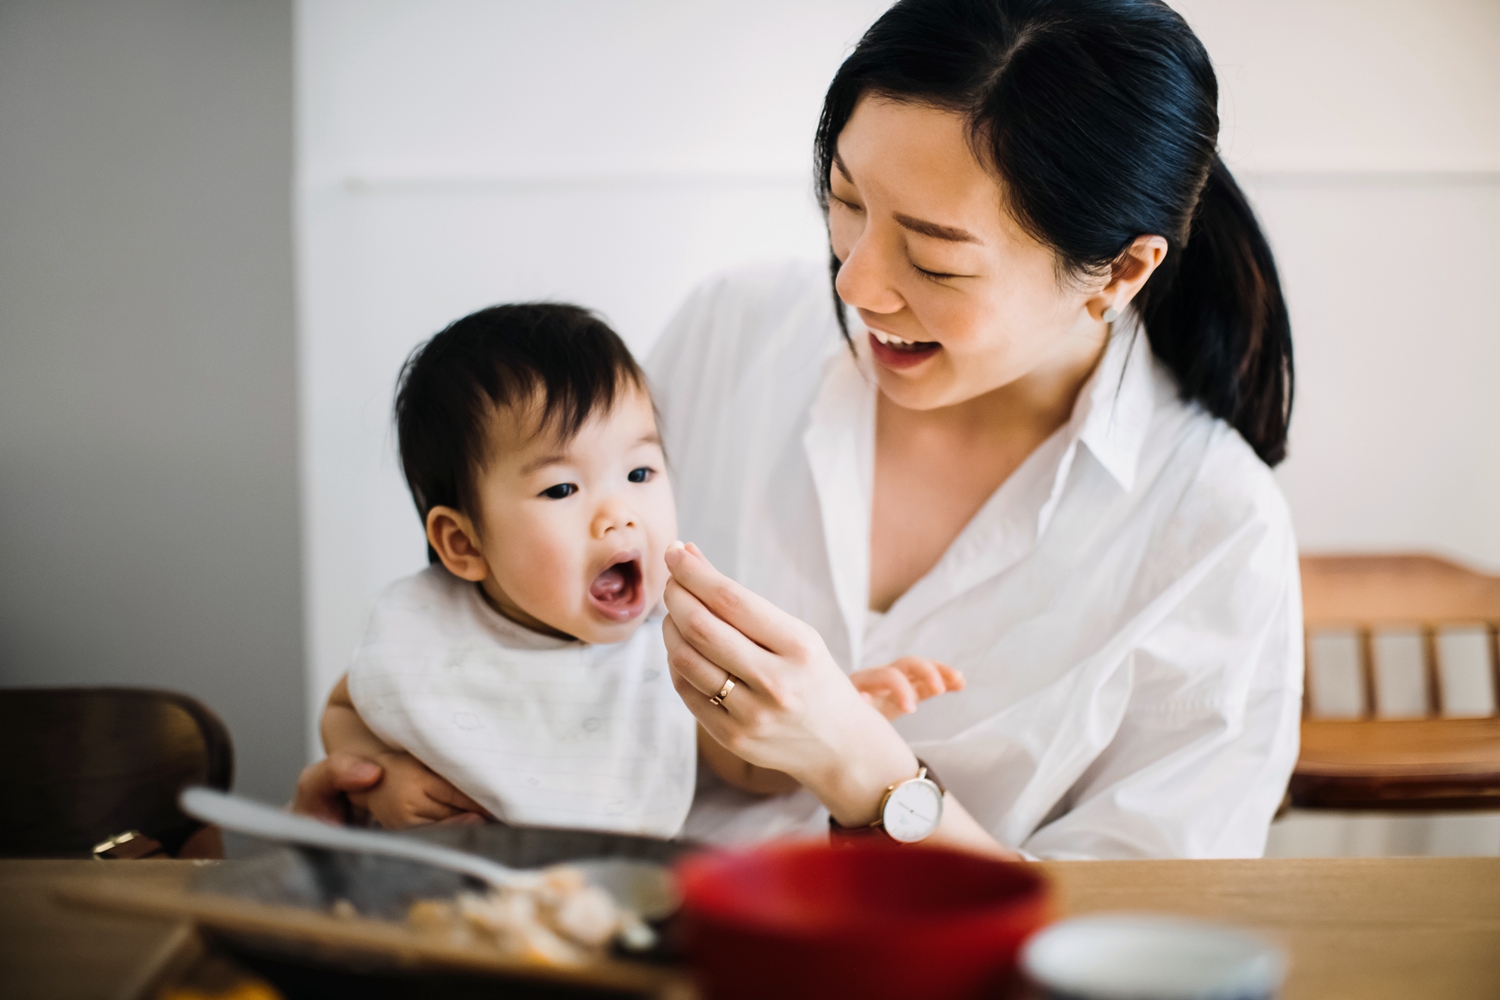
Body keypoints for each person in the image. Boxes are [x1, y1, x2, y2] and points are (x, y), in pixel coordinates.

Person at [299, 0, 1302, 859]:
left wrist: (864, 770)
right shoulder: (734, 331)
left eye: (935, 257)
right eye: (846, 201)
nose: (857, 284)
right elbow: (502, 633)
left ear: (1123, 271)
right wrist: (386, 771)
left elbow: (1135, 937)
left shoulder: (1212, 532)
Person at [313, 302, 963, 833]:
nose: (618, 515)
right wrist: (377, 776)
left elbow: (742, 763)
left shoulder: (675, 650)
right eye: (562, 490)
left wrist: (840, 716)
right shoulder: (425, 631)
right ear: (462, 543)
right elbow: (347, 706)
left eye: (640, 472)